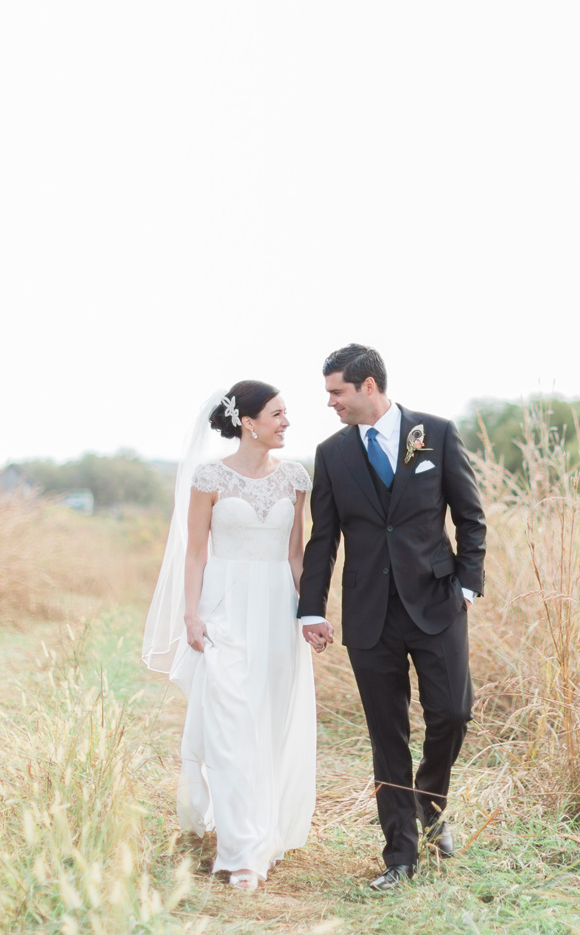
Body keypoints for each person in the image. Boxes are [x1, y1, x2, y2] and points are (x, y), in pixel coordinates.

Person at [298, 344, 487, 890]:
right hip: (369, 614)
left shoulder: (437, 433)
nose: (330, 402)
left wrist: (468, 586)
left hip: (437, 603)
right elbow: (324, 538)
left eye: (337, 391)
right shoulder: (331, 453)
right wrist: (312, 607)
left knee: (452, 712)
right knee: (387, 735)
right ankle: (400, 856)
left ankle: (430, 804)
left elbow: (470, 517)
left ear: (369, 386)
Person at [140, 380, 320, 892]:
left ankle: (264, 831)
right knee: (231, 722)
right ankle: (241, 852)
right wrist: (191, 616)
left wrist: (309, 614)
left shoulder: (295, 478)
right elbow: (195, 552)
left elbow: (295, 555)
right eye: (278, 414)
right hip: (224, 610)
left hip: (278, 612)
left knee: (268, 721)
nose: (286, 422)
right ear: (248, 422)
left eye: (287, 414)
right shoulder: (210, 477)